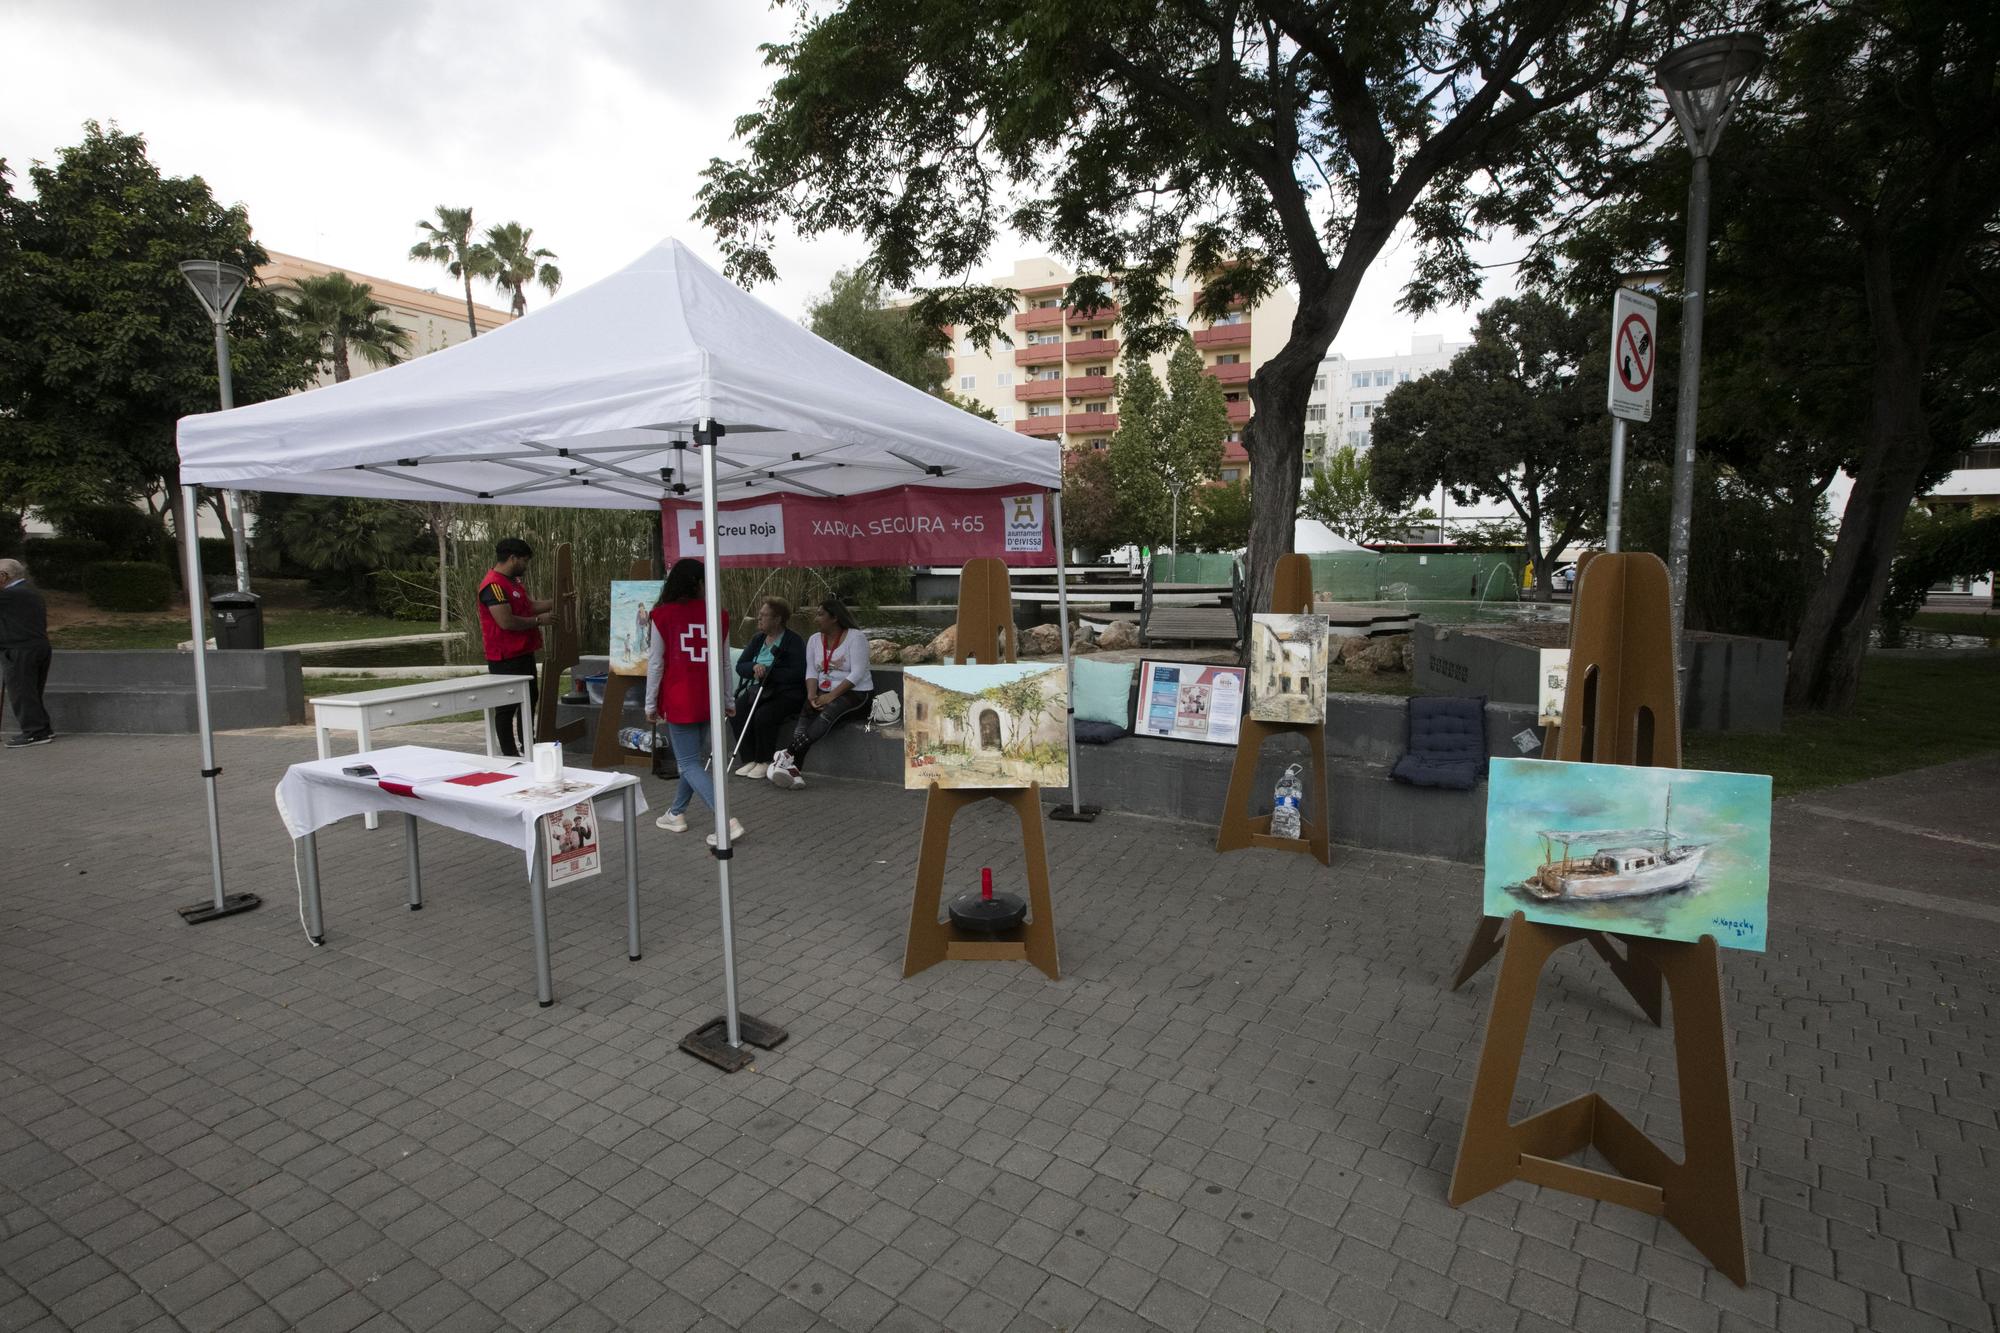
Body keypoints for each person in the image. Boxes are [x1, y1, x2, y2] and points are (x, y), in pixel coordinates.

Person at [644, 558, 744, 843]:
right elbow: (725, 663)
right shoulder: (718, 614)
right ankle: (675, 813)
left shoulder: (662, 616)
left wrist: (650, 704)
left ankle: (725, 821)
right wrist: (728, 697)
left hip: (680, 699)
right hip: (709, 696)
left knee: (688, 763)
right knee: (693, 761)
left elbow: (656, 664)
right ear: (699, 583)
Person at [768, 596, 872, 790]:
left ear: (834, 618)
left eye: (820, 614)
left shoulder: (855, 637)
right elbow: (811, 671)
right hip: (823, 690)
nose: (816, 619)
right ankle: (795, 771)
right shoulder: (815, 640)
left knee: (827, 713)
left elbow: (857, 673)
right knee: (805, 715)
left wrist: (831, 696)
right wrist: (811, 694)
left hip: (856, 694)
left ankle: (787, 755)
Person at [476, 537, 555, 757]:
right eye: (525, 560)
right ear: (513, 558)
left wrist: (557, 600)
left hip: (523, 652)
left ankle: (528, 746)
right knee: (506, 707)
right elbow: (506, 621)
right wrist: (539, 621)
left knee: (529, 700)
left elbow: (529, 606)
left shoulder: (513, 582)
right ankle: (510, 755)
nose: (526, 566)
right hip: (505, 657)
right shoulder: (493, 585)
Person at [729, 597, 806, 780]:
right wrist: (754, 667)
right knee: (737, 711)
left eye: (764, 615)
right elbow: (741, 665)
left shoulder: (793, 641)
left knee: (763, 715)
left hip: (786, 692)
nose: (759, 619)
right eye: (759, 615)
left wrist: (769, 673)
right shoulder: (758, 639)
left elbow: (797, 672)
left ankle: (764, 760)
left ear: (777, 619)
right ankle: (749, 759)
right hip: (760, 690)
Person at [0, 559, 54, 749]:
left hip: (20, 650)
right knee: (31, 692)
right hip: (37, 647)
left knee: (22, 692)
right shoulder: (29, 591)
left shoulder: (11, 594)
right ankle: (42, 729)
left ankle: (34, 732)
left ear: (4, 575)